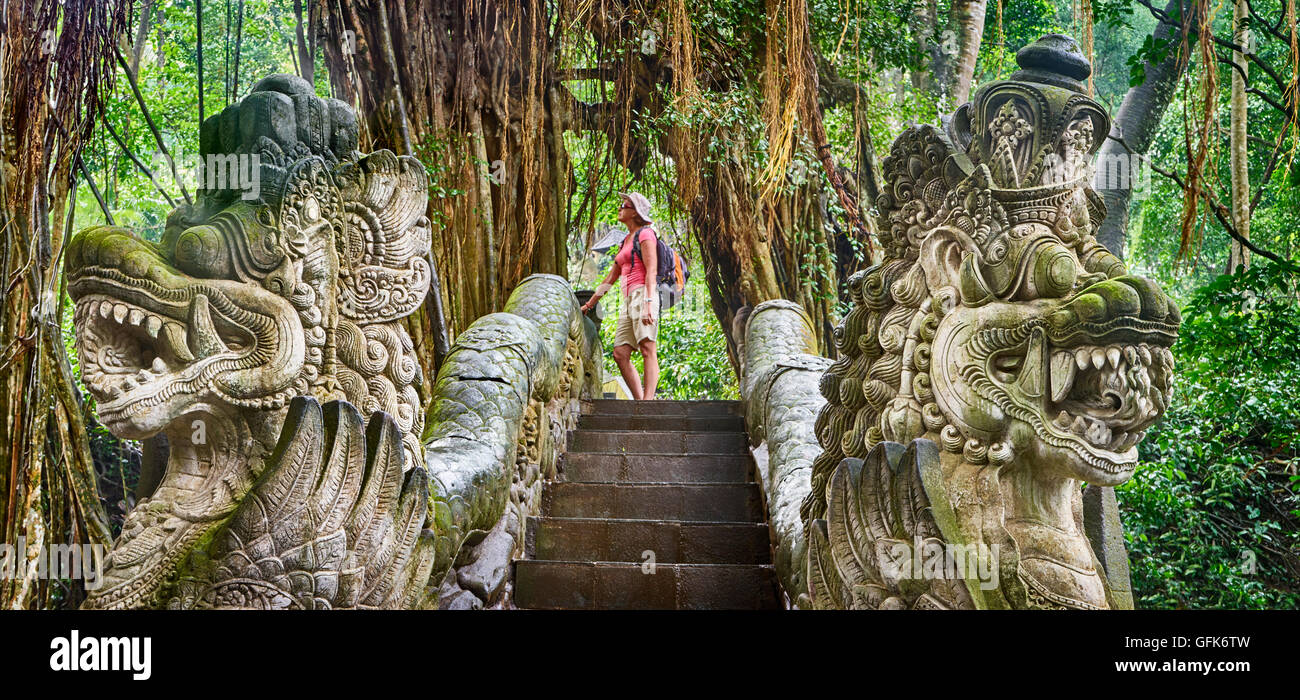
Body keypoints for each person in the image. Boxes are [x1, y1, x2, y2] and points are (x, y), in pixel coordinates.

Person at [581, 192, 661, 400]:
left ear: (635, 212)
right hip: (628, 300)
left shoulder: (646, 235)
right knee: (620, 353)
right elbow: (610, 278)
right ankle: (640, 400)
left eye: (624, 205)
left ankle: (648, 403)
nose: (620, 208)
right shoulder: (625, 241)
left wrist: (648, 302)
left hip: (644, 293)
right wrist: (589, 305)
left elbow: (651, 270)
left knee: (646, 347)